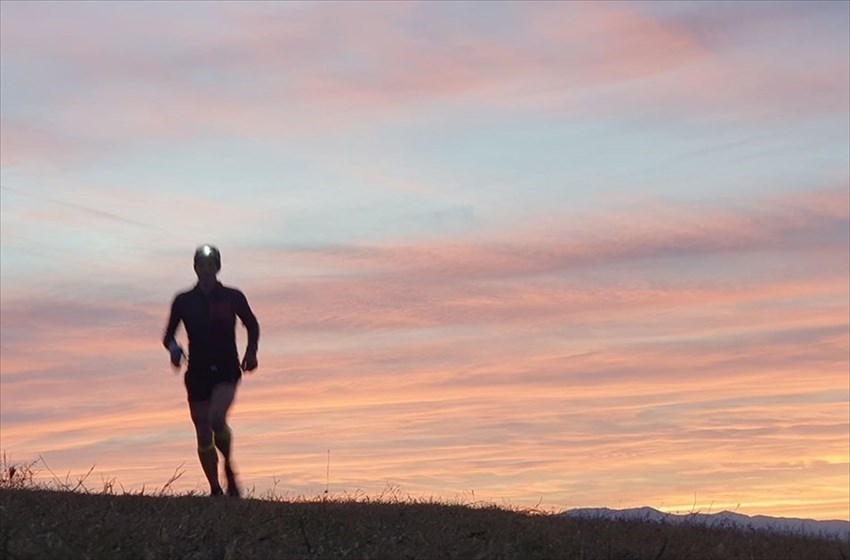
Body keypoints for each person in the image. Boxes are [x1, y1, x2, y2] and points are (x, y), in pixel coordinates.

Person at [162, 244, 259, 497]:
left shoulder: (232, 296)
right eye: (201, 265)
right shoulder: (184, 301)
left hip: (227, 366)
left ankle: (228, 467)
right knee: (203, 431)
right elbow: (168, 335)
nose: (205, 270)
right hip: (197, 371)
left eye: (210, 265)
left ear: (217, 267)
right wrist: (174, 350)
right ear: (195, 268)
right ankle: (215, 489)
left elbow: (252, 324)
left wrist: (251, 352)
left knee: (217, 419)